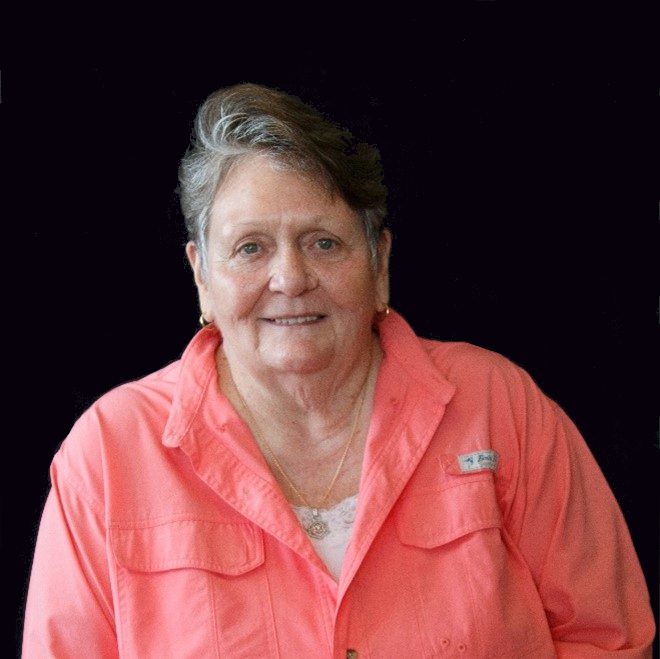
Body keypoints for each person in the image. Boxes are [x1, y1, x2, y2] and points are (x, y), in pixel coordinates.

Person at [22, 82, 655, 657]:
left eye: (324, 242)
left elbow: (609, 639)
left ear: (379, 262)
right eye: (251, 248)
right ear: (201, 278)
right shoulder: (107, 454)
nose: (290, 278)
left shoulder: (498, 407)